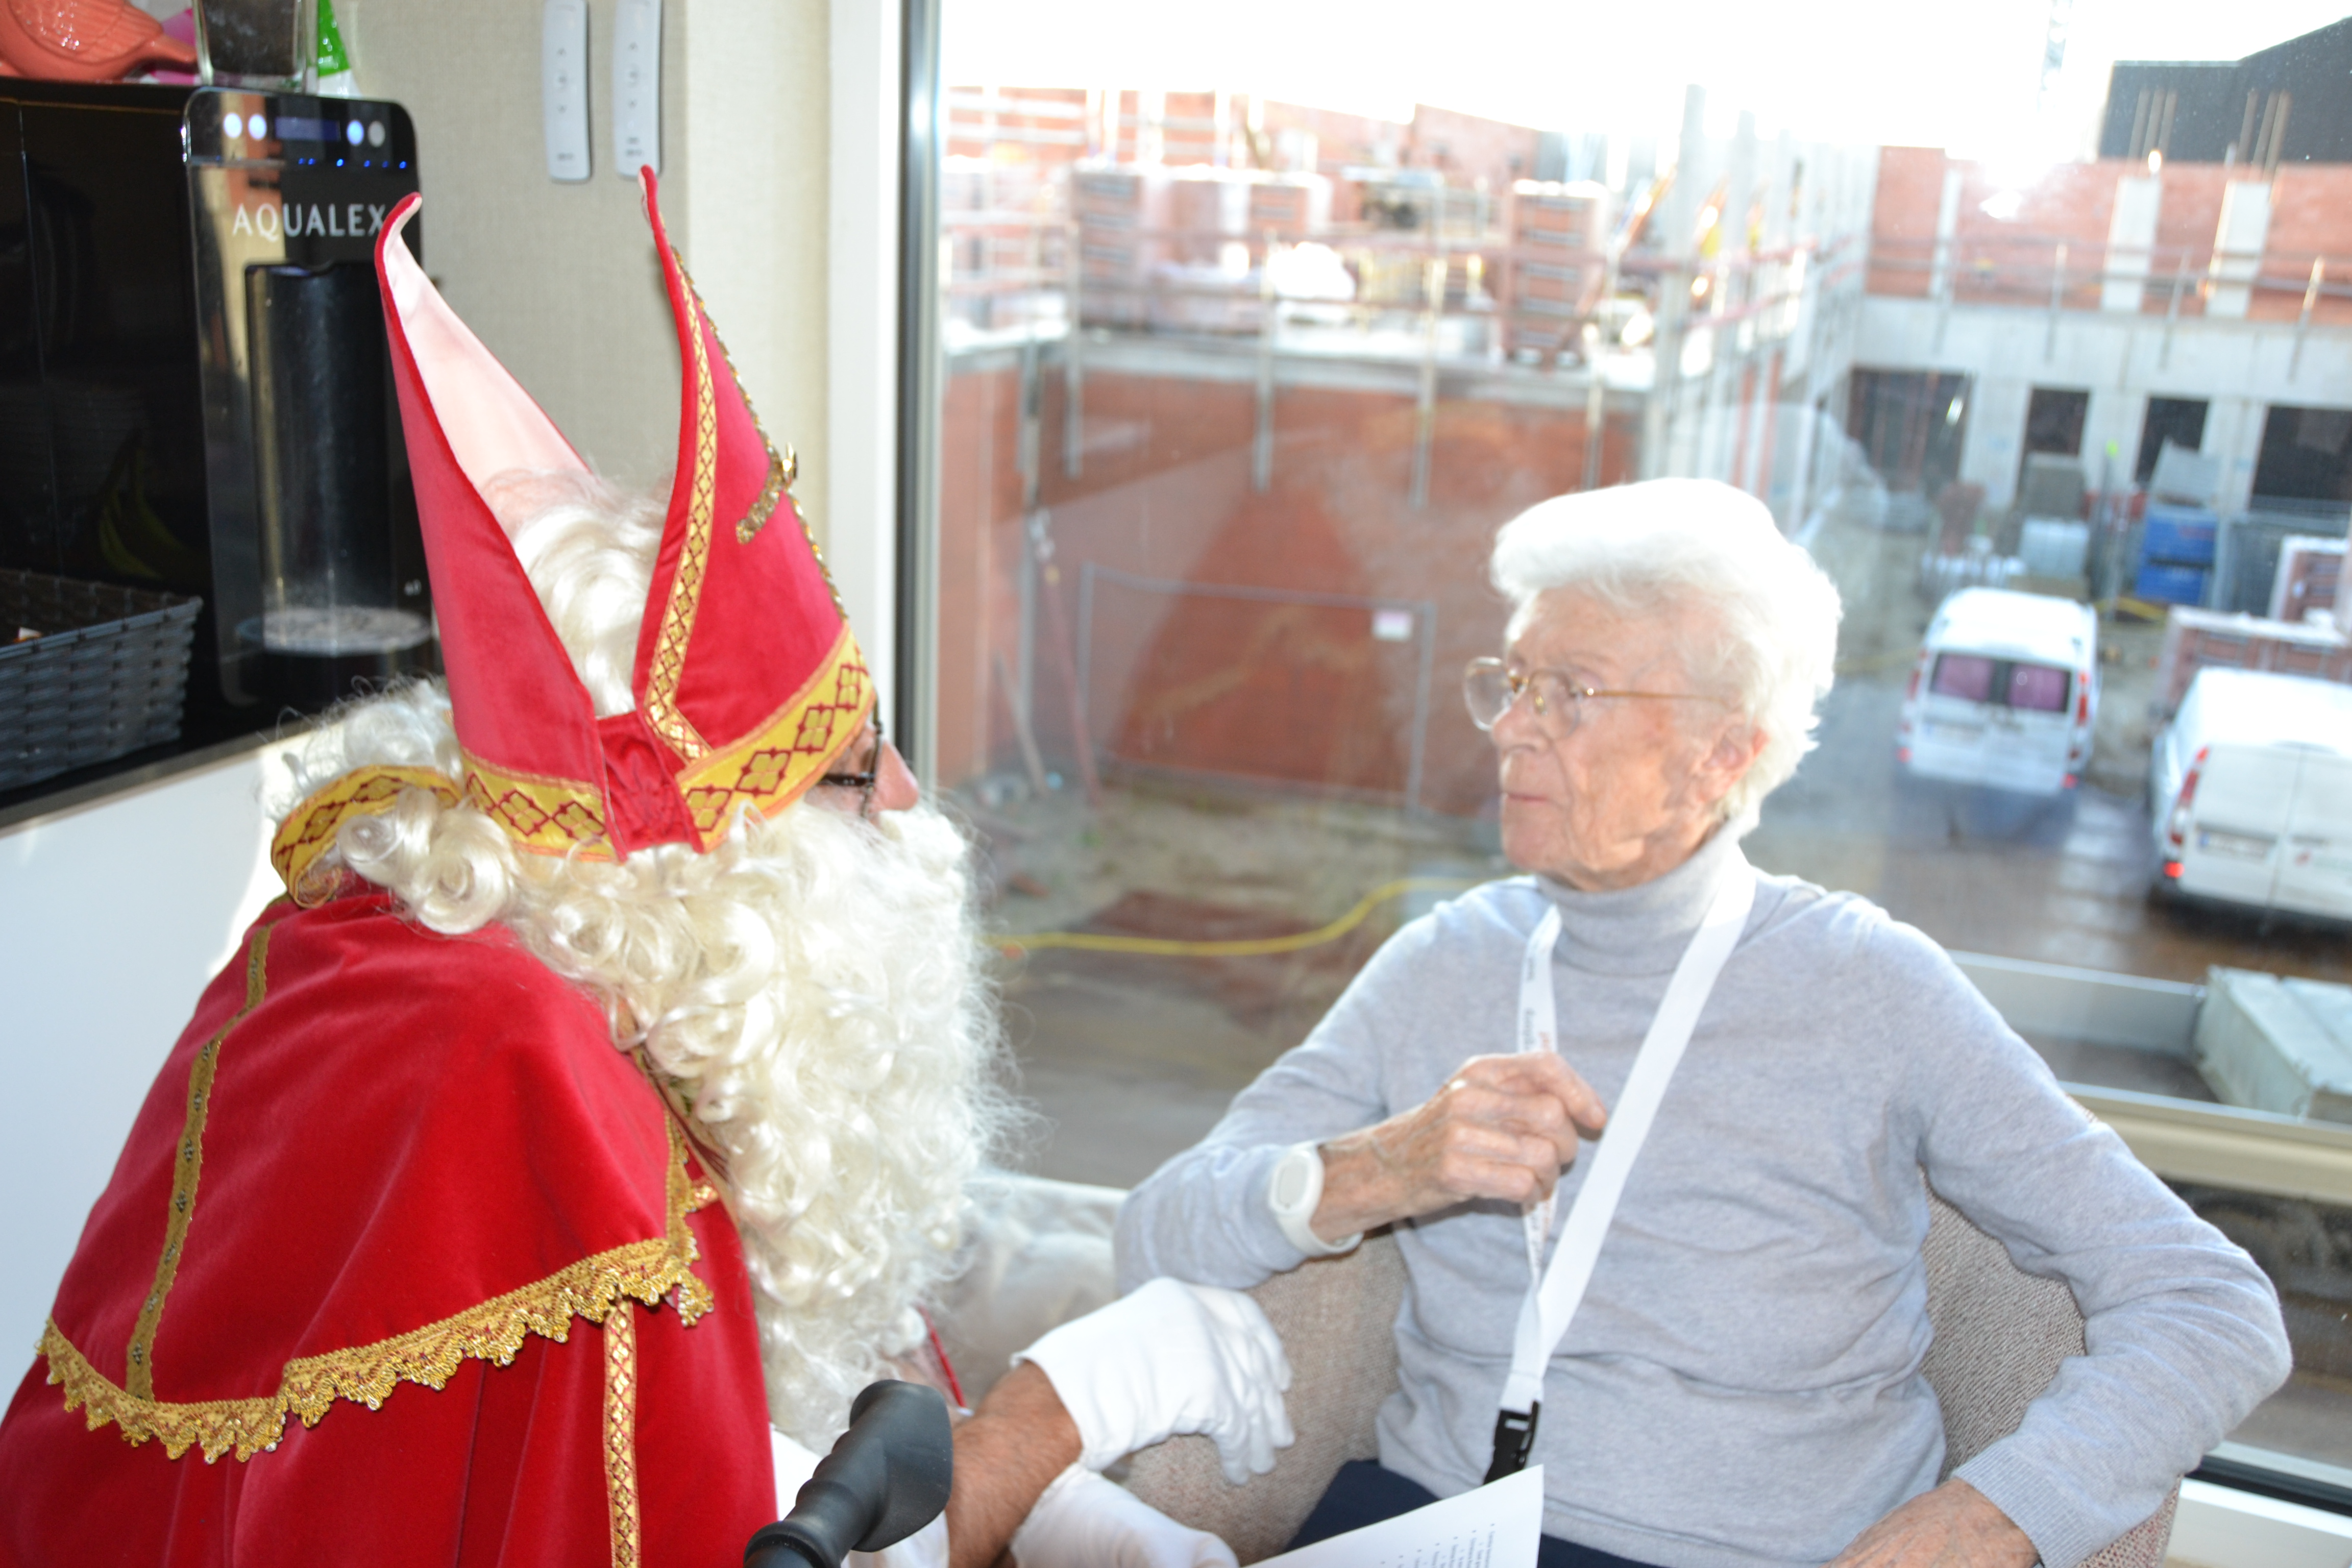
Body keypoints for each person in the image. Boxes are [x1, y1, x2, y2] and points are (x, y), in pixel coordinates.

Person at [0, 175, 1287, 1568]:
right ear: (697, 858)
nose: (912, 796)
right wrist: (1052, 1427)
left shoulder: (459, 952)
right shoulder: (543, 1101)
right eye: (852, 771)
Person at [1116, 479, 2292, 1568]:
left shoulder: (1871, 987)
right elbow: (1156, 1231)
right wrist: (1375, 1169)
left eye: (1571, 694)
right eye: (1512, 682)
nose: (1511, 728)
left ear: (1722, 754)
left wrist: (1990, 1516)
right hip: (1433, 1527)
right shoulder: (1445, 960)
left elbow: (2212, 1304)